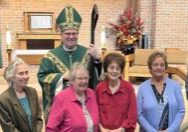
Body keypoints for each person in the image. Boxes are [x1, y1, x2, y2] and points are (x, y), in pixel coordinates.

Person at [37, 5, 101, 121]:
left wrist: (97, 59)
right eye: (67, 33)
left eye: (74, 33)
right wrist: (61, 77)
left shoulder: (87, 53)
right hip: (60, 106)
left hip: (82, 106)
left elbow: (97, 79)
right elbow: (42, 77)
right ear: (61, 34)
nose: (71, 36)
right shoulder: (50, 56)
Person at [137, 51, 185, 132]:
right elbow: (138, 115)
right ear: (150, 67)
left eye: (162, 65)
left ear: (165, 67)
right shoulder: (142, 88)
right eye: (155, 65)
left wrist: (170, 130)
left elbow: (181, 111)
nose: (159, 67)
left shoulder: (175, 86)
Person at [46, 62, 99, 132]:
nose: (84, 81)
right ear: (72, 80)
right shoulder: (61, 98)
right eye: (80, 78)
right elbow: (51, 128)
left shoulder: (92, 94)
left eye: (86, 78)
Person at [96, 53, 137, 132]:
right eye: (111, 68)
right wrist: (101, 128)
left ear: (121, 71)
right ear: (106, 69)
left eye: (117, 68)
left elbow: (132, 114)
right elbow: (95, 112)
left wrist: (121, 129)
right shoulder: (99, 88)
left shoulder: (129, 88)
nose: (114, 71)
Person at [0, 58, 43, 132]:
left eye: (26, 72)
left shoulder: (33, 92)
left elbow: (38, 118)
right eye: (21, 73)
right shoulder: (4, 99)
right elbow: (9, 128)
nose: (26, 76)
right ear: (11, 76)